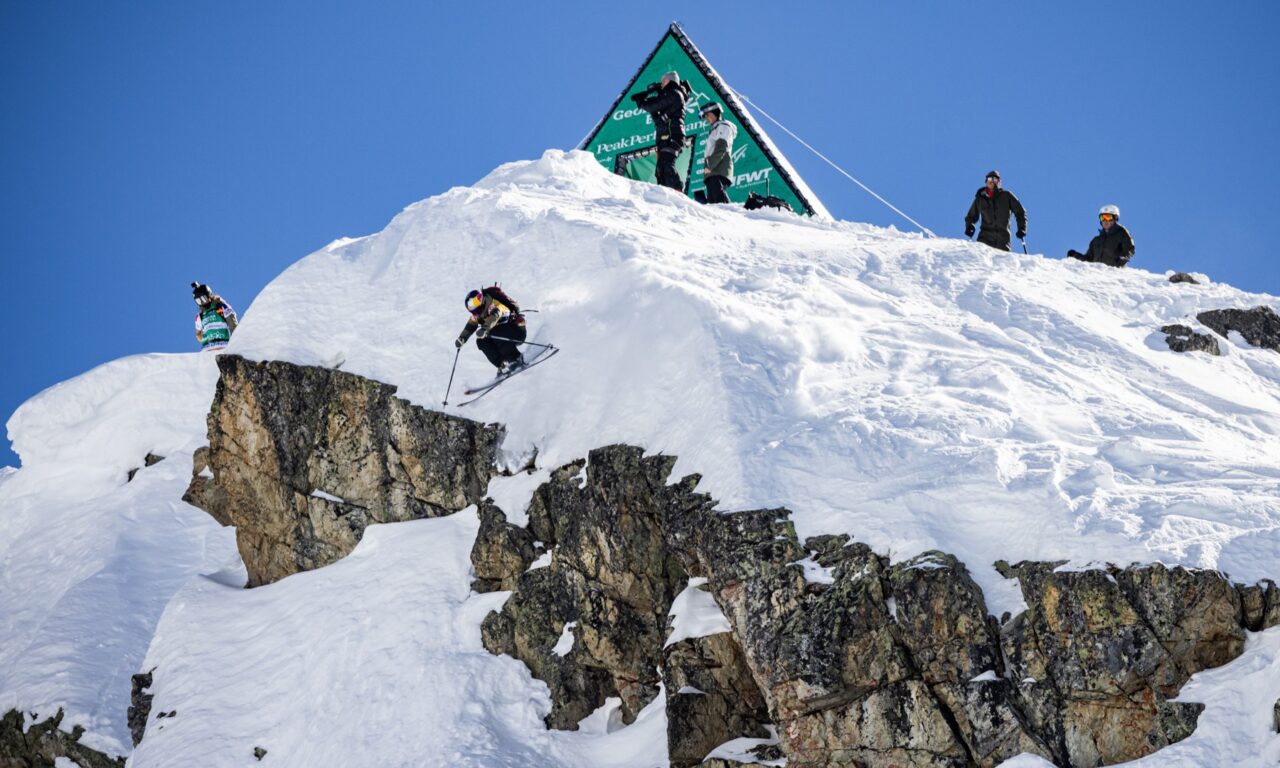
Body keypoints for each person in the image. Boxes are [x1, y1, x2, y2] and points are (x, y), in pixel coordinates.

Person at [630, 71, 692, 192]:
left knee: (667, 163)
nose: (661, 84)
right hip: (665, 137)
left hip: (673, 135)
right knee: (660, 168)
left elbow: (654, 105)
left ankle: (677, 190)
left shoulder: (675, 93)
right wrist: (647, 98)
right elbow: (656, 115)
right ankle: (664, 191)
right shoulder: (667, 95)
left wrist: (642, 102)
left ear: (671, 81)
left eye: (663, 81)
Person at [455, 286, 527, 373]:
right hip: (503, 337)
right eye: (471, 305)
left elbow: (495, 316)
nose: (474, 306)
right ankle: (502, 364)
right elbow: (470, 325)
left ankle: (516, 358)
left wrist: (484, 329)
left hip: (517, 331)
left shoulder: (493, 304)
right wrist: (462, 339)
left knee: (494, 332)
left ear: (482, 298)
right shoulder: (478, 315)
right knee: (481, 341)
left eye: (476, 301)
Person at [964, 170, 1027, 251]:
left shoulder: (1007, 196)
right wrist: (969, 226)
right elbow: (971, 216)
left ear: (999, 182)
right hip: (984, 242)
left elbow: (1020, 212)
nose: (992, 182)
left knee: (1002, 263)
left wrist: (1022, 228)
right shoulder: (981, 199)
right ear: (986, 182)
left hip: (1003, 244)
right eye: (990, 179)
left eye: (995, 179)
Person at [1068, 205, 1135, 268]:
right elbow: (1088, 260)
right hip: (1097, 274)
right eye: (1102, 217)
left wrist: (1123, 259)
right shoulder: (1096, 241)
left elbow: (1130, 249)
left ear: (1115, 218)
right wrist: (1075, 255)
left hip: (1113, 272)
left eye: (1108, 217)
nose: (1105, 220)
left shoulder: (1121, 232)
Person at [699, 102, 737, 204]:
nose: (706, 119)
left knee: (719, 197)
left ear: (713, 113)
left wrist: (710, 165)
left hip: (718, 168)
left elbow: (721, 148)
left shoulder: (723, 126)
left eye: (707, 115)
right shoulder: (715, 129)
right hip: (713, 170)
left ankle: (730, 214)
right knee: (713, 201)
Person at [192, 282, 237, 351]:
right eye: (199, 301)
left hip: (223, 344)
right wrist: (205, 337)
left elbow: (231, 321)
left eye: (204, 299)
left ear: (209, 295)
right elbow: (198, 334)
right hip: (208, 347)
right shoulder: (200, 316)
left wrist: (235, 339)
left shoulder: (220, 307)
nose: (202, 302)